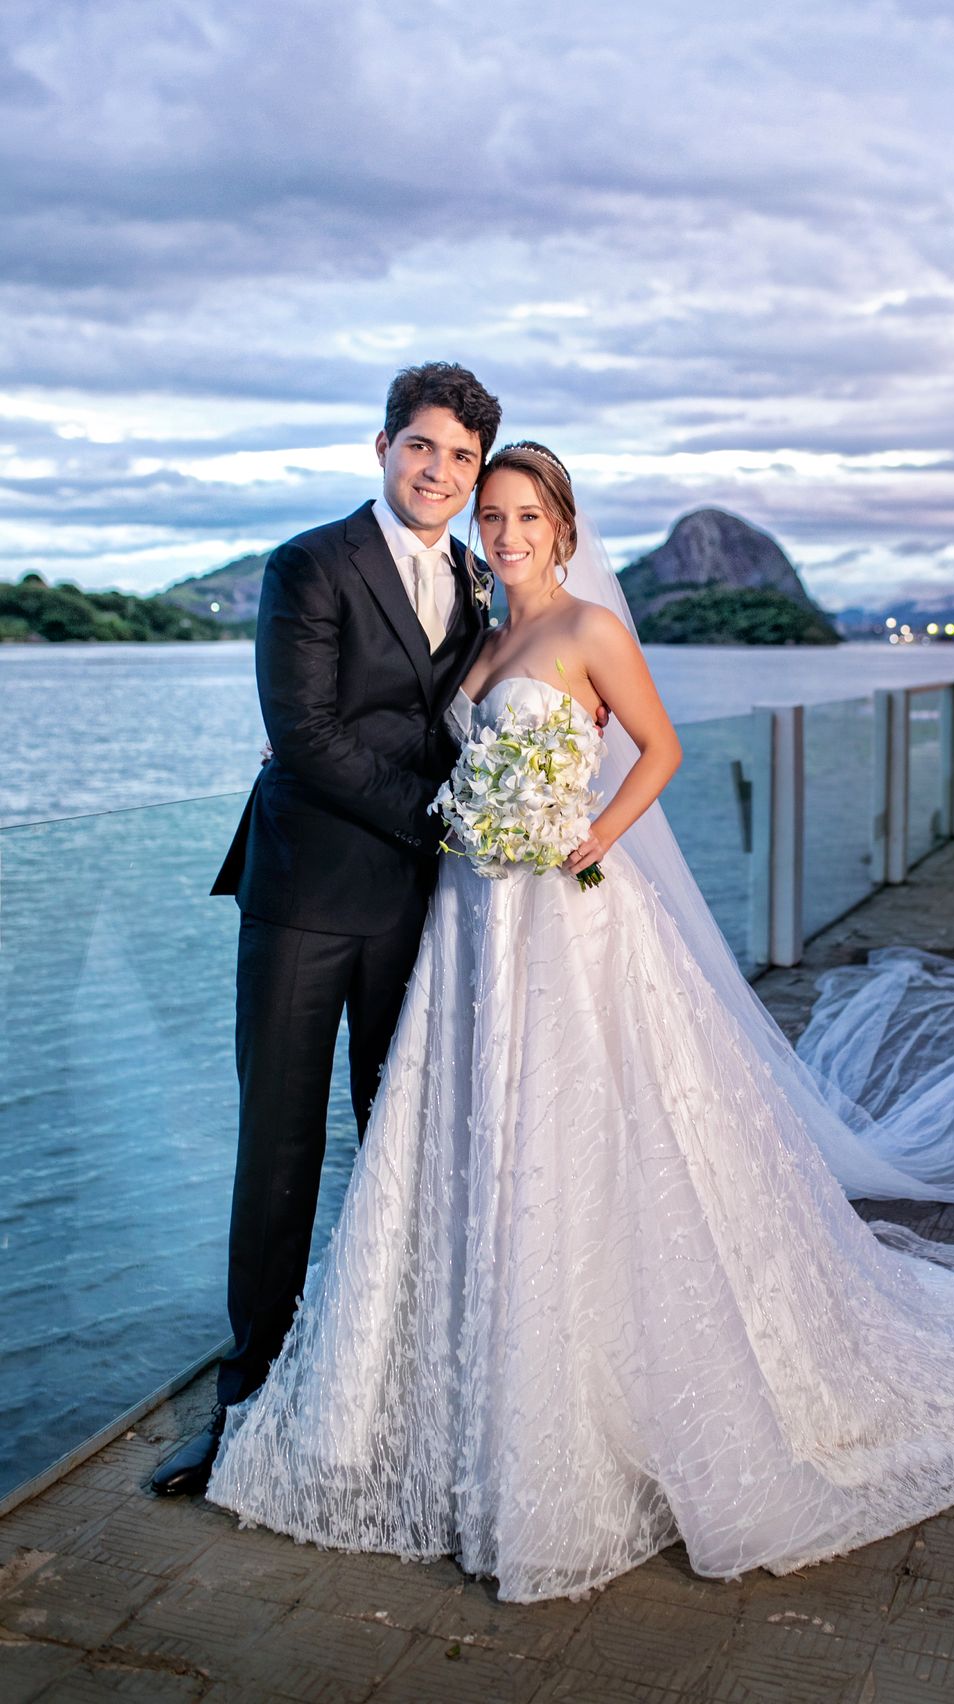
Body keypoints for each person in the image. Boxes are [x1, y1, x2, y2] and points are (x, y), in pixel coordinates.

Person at [205, 443, 954, 1603]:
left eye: (526, 517)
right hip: (469, 921)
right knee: (472, 1133)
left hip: (562, 911)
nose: (506, 534)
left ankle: (581, 1405)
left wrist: (588, 835)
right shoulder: (482, 633)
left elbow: (658, 749)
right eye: (492, 516)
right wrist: (319, 750)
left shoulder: (589, 630)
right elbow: (415, 736)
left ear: (564, 532)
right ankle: (449, 1373)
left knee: (583, 1133)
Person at [150, 362, 502, 1497]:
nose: (438, 471)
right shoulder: (309, 563)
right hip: (304, 899)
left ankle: (380, 1384)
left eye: (460, 456)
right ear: (383, 446)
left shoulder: (478, 579)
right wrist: (448, 820)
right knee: (281, 1154)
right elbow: (302, 735)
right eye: (421, 446)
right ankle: (245, 1407)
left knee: (400, 1143)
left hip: (416, 910)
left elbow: (469, 720)